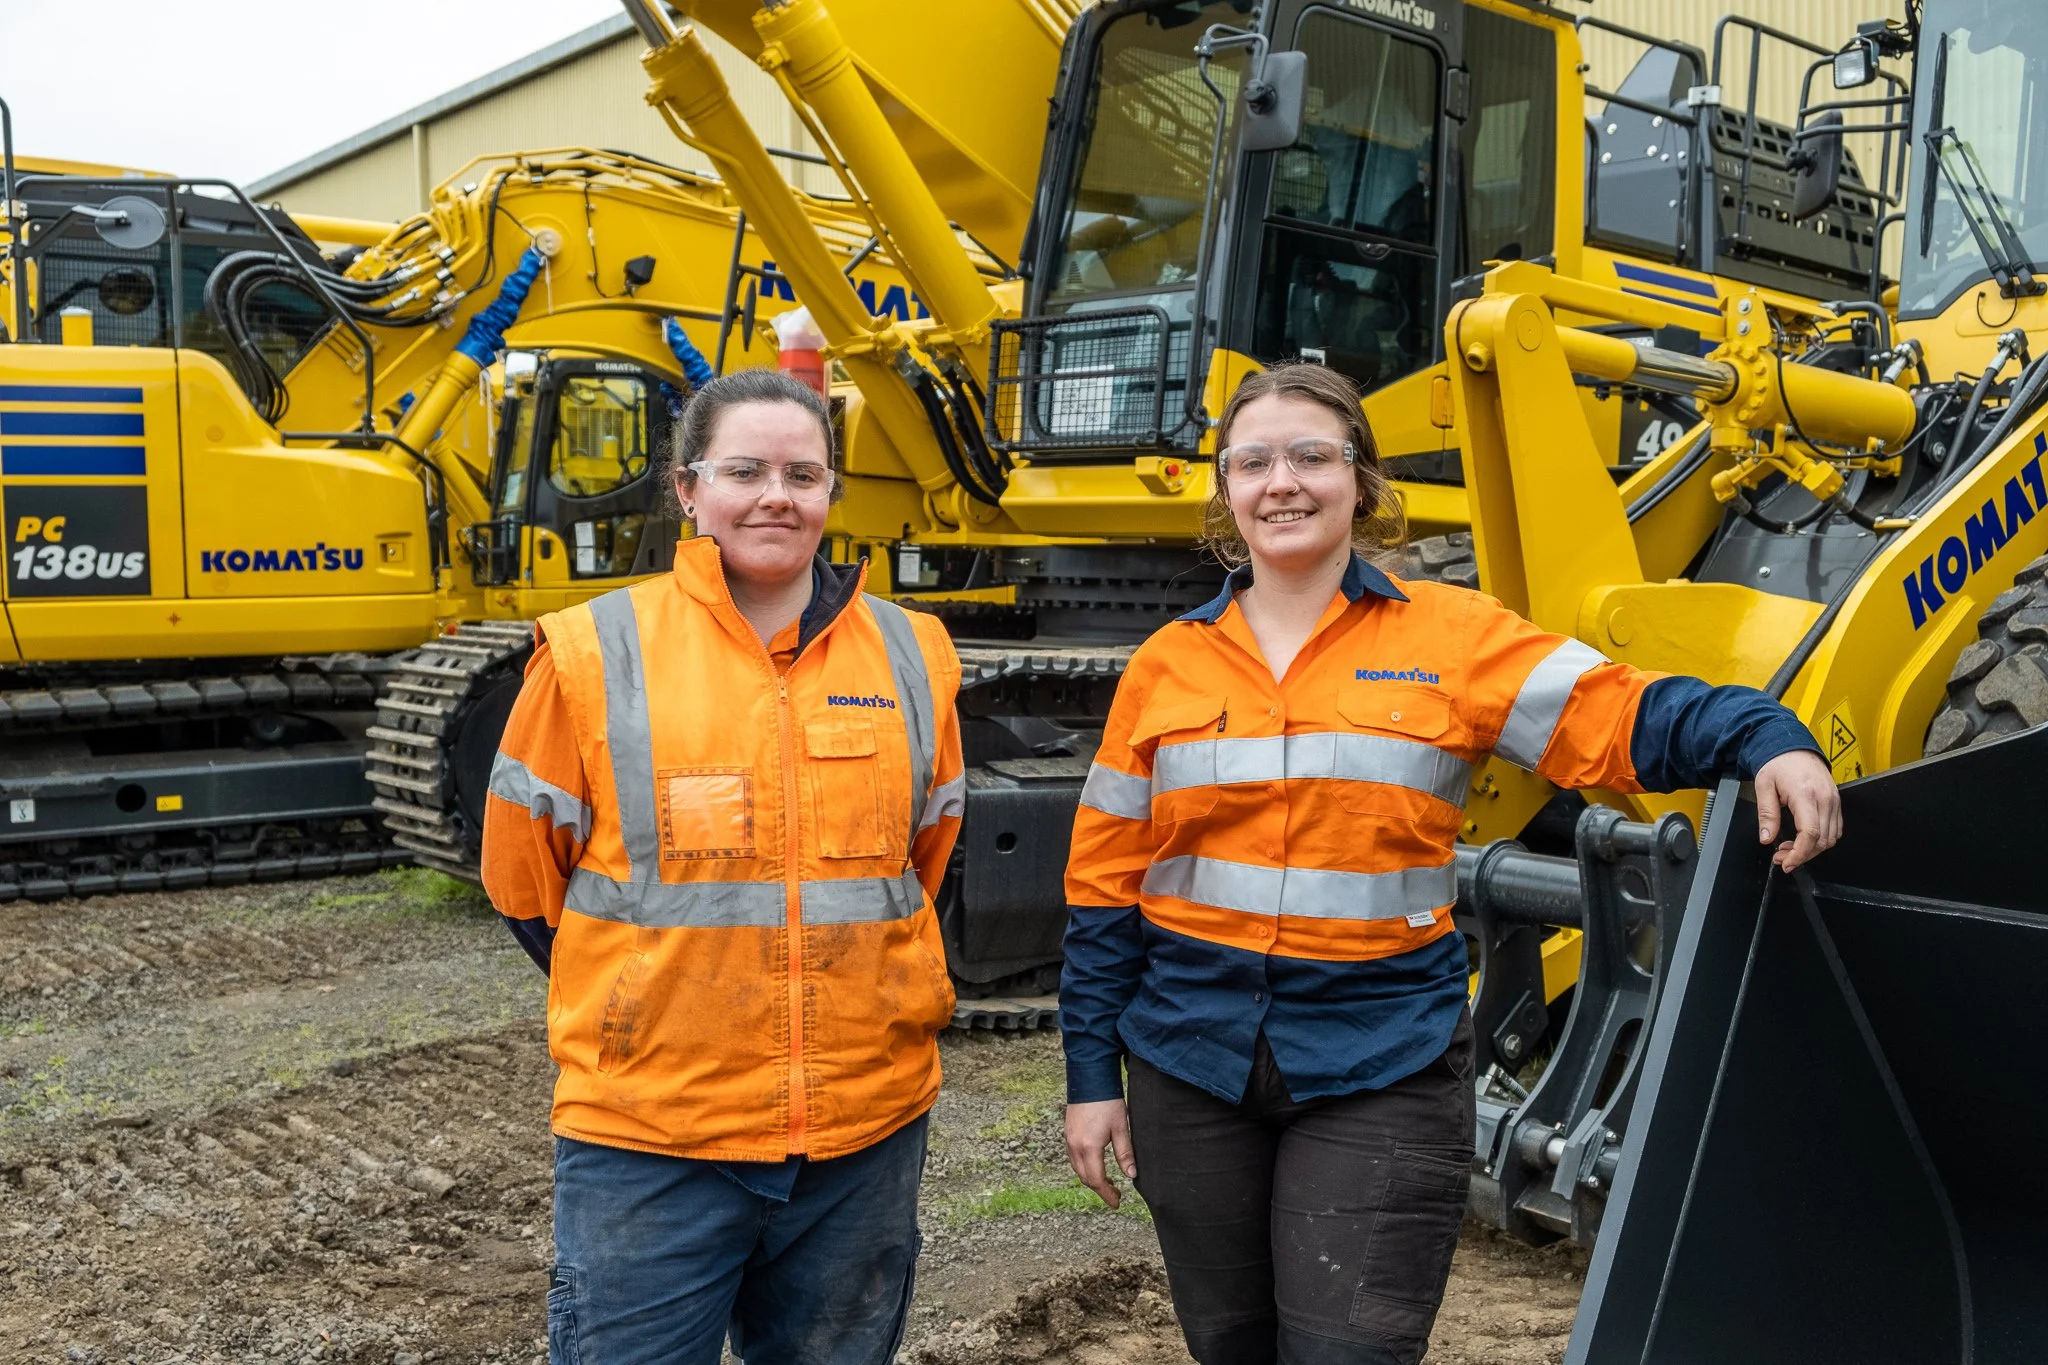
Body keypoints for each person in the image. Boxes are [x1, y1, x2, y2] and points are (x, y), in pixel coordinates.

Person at [1059, 363, 1841, 1365]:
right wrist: (1091, 1076)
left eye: (1310, 456)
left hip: (1378, 1060)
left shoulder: (1451, 638)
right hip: (1189, 1062)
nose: (1281, 482)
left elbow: (1620, 713)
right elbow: (1103, 890)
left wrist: (1765, 738)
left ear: (1359, 479)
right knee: (1229, 1345)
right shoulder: (1166, 665)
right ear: (1226, 491)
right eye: (1252, 463)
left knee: (1348, 1354)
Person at [481, 367, 966, 1365]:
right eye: (744, 471)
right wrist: (641, 997)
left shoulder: (914, 654)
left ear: (831, 491)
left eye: (803, 474)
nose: (775, 496)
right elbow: (524, 883)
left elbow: (921, 860)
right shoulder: (592, 651)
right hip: (651, 1140)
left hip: (861, 1137)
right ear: (688, 489)